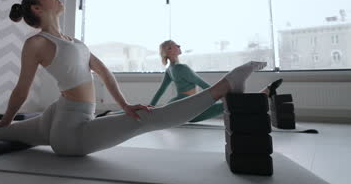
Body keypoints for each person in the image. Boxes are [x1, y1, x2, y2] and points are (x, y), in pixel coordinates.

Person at [0, 0, 267, 156]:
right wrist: (7, 120)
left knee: (140, 116)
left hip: (61, 113)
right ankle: (225, 86)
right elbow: (21, 89)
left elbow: (104, 73)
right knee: (151, 121)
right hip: (69, 132)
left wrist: (122, 105)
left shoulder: (74, 40)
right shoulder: (37, 44)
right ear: (38, 10)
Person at [97, 40, 283, 122]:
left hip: (184, 105)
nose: (179, 46)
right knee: (228, 104)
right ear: (169, 51)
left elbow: (160, 93)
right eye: (175, 45)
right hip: (188, 105)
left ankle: (263, 94)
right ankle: (249, 89)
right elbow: (203, 85)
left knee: (230, 104)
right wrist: (220, 96)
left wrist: (151, 107)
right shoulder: (180, 68)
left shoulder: (170, 69)